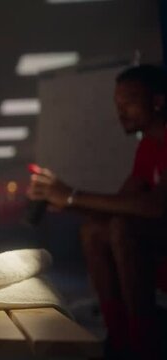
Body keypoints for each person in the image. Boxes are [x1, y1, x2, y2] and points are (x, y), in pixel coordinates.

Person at [28, 64, 167, 359]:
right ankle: (118, 338)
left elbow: (156, 206)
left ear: (157, 101)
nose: (121, 112)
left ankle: (144, 343)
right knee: (93, 229)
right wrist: (65, 201)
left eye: (129, 102)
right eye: (118, 104)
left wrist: (71, 196)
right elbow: (124, 202)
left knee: (121, 228)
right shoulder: (147, 147)